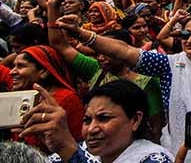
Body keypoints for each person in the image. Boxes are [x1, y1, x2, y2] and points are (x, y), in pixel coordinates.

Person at [57, 13, 191, 162]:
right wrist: (81, 33)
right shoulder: (169, 65)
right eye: (185, 35)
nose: (190, 39)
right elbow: (125, 51)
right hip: (181, 150)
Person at [50, 15, 164, 143]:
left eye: (107, 53)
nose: (101, 58)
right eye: (98, 53)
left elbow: (156, 127)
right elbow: (60, 45)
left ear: (121, 51)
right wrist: (52, 7)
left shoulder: (147, 82)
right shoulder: (95, 70)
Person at [20, 80, 174, 163]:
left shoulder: (155, 159)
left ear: (135, 120)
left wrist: (67, 149)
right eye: (87, 120)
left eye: (104, 118)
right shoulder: (81, 150)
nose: (92, 129)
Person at [10, 45, 84, 151]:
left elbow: (79, 145)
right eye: (14, 66)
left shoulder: (68, 99)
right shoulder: (24, 97)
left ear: (44, 71)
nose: (12, 72)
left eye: (21, 66)